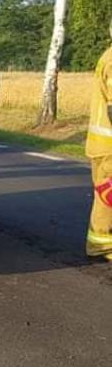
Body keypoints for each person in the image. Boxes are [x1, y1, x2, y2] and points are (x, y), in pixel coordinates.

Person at [85, 37, 112, 261]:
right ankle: (103, 245)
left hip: (103, 144)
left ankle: (99, 242)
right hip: (108, 147)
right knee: (108, 196)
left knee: (106, 195)